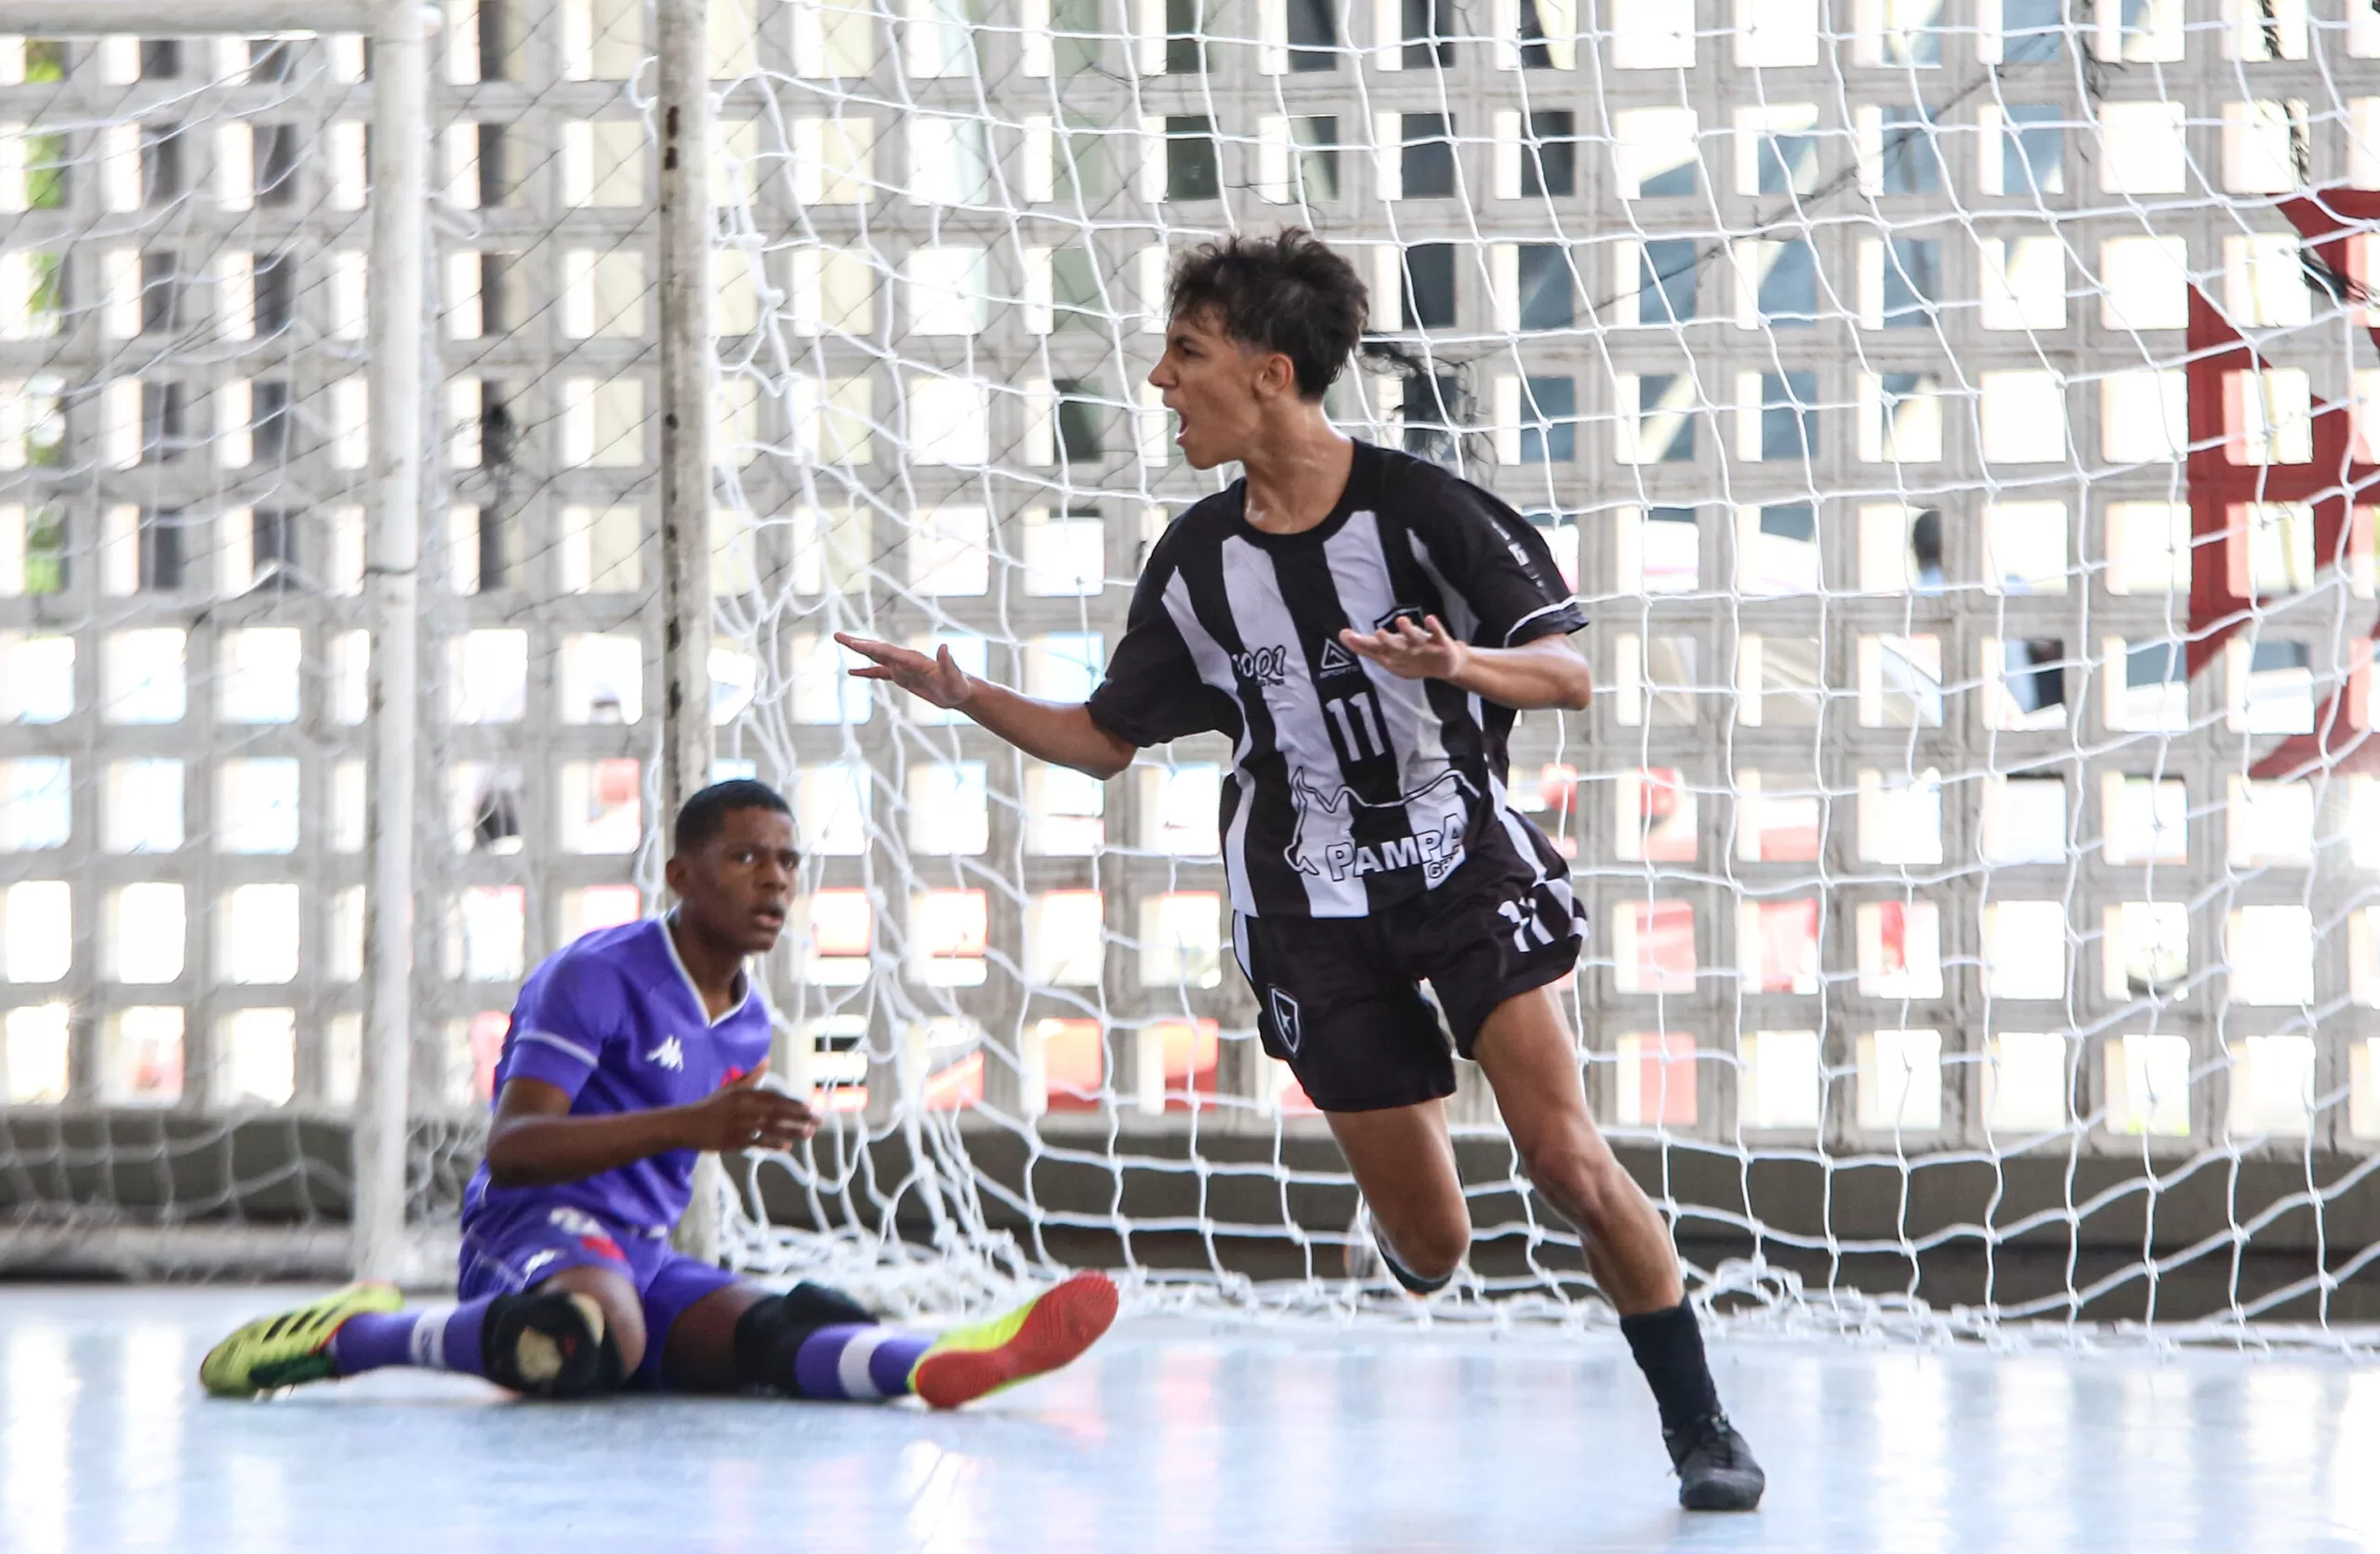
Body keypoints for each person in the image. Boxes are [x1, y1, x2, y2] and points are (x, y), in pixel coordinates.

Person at [837, 230, 1764, 1510]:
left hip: (1458, 867)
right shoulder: (1197, 563)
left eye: (1186, 352)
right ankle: (1397, 1218)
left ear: (1273, 373)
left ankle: (1702, 1424)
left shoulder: (1423, 509)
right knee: (1436, 1248)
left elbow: (1571, 672)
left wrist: (1457, 668)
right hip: (1308, 912)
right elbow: (1102, 742)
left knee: (1563, 1153)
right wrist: (966, 692)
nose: (1160, 379)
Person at [200, 779, 1116, 1407]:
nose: (776, 880)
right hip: (532, 1236)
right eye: (748, 858)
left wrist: (732, 1127)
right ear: (682, 876)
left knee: (783, 1333)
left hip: (641, 1252)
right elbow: (513, 1149)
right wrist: (699, 1123)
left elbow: (693, 1133)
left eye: (789, 862)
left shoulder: (747, 1021)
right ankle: (353, 1335)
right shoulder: (594, 977)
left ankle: (941, 1364)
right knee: (582, 1339)